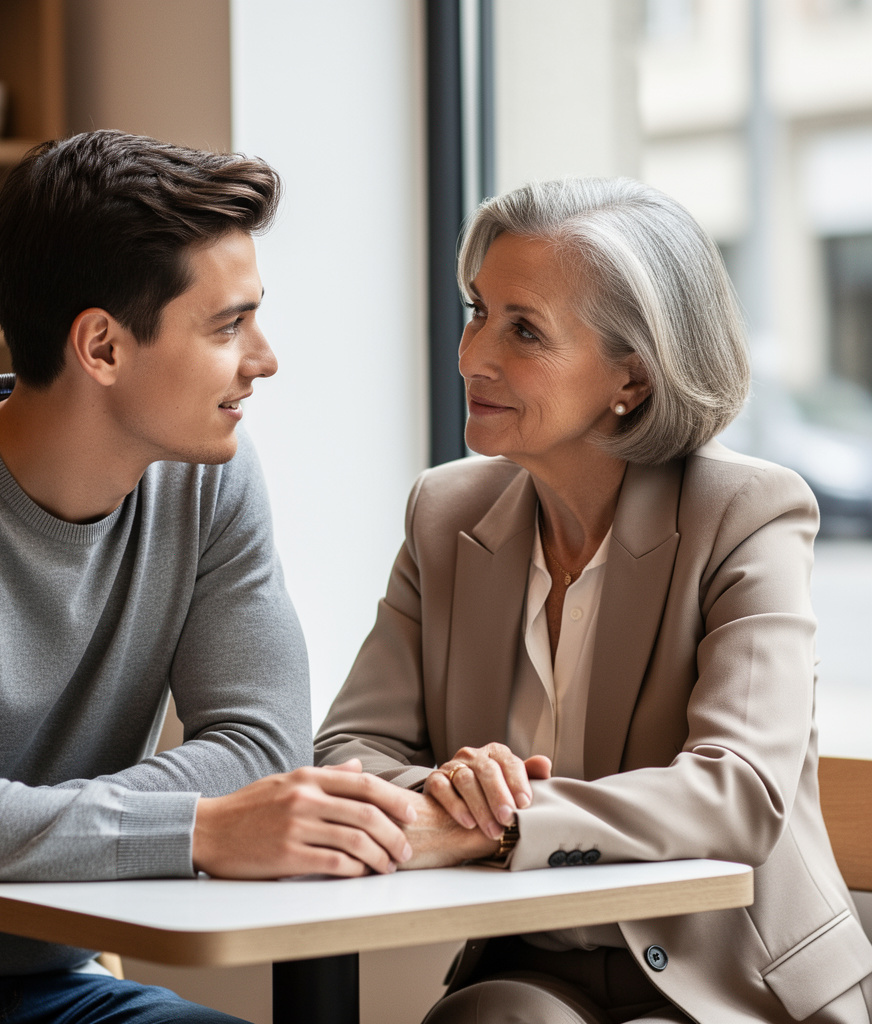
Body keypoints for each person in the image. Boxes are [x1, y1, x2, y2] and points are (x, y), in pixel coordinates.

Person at [0, 130, 416, 1023]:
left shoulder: (211, 479)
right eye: (228, 326)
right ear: (103, 348)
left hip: (63, 994)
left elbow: (264, 751)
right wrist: (194, 828)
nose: (264, 359)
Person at [315, 177, 872, 1023]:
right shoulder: (445, 514)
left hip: (733, 979)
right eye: (476, 312)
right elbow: (349, 755)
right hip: (538, 971)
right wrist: (461, 788)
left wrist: (506, 822)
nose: (472, 356)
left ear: (633, 379)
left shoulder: (746, 513)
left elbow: (740, 794)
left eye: (524, 330)